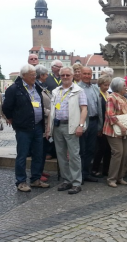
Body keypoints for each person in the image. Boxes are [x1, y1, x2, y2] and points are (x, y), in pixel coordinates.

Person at [2, 64, 47, 192]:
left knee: (38, 154)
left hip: (37, 126)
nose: (35, 77)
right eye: (32, 75)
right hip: (23, 128)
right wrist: (13, 120)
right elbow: (6, 107)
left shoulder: (36, 87)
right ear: (24, 76)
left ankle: (35, 179)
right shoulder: (14, 89)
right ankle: (21, 181)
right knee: (22, 155)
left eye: (35, 74)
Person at [47, 66, 88, 195]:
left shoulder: (79, 90)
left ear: (72, 76)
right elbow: (52, 110)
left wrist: (81, 125)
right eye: (63, 75)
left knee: (74, 155)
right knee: (61, 155)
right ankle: (67, 180)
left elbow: (84, 109)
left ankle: (76, 182)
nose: (65, 77)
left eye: (67, 75)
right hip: (57, 126)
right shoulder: (55, 91)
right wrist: (49, 128)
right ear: (60, 76)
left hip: (72, 126)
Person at [102, 77, 127, 188]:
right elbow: (110, 114)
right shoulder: (111, 98)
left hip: (125, 129)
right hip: (113, 130)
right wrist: (121, 126)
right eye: (124, 86)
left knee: (125, 153)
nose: (126, 87)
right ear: (118, 87)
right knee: (118, 153)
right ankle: (111, 178)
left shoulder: (123, 98)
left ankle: (120, 177)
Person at [77, 66, 103, 183]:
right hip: (82, 122)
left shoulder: (95, 88)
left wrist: (100, 125)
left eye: (89, 74)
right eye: (85, 73)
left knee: (91, 150)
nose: (87, 76)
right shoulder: (77, 88)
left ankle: (86, 173)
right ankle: (79, 175)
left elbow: (99, 108)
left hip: (94, 121)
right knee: (81, 150)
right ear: (80, 74)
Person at [91, 74, 112, 178]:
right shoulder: (98, 95)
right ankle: (94, 169)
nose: (106, 87)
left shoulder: (108, 94)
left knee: (108, 148)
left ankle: (106, 170)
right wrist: (99, 128)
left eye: (108, 85)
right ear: (100, 84)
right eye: (105, 85)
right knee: (100, 148)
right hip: (101, 124)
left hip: (108, 125)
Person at [35, 65, 53, 180]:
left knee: (44, 149)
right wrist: (49, 112)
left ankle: (40, 170)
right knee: (39, 150)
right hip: (42, 122)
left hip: (47, 121)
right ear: (41, 75)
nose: (47, 76)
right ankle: (37, 173)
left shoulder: (42, 86)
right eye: (46, 74)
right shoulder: (36, 87)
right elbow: (36, 105)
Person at [44, 59, 63, 160]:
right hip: (50, 106)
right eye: (58, 67)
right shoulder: (47, 78)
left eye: (61, 67)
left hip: (62, 107)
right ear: (52, 68)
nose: (60, 68)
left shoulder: (64, 77)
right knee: (50, 130)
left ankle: (58, 152)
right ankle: (49, 151)